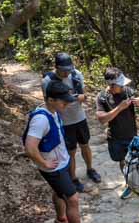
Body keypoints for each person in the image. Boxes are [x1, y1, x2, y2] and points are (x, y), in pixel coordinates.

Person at [23, 79, 96, 223]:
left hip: (60, 163)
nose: (66, 103)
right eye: (63, 101)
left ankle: (61, 219)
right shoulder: (41, 119)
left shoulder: (53, 111)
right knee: (73, 199)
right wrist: (44, 163)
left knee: (59, 192)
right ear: (50, 99)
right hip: (53, 168)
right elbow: (29, 147)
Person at [42, 52, 100, 191]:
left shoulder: (76, 75)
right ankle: (73, 178)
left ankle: (90, 169)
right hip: (64, 121)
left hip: (79, 117)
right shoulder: (48, 81)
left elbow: (83, 95)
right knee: (71, 151)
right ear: (56, 67)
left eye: (69, 69)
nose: (67, 73)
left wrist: (81, 97)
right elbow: (48, 102)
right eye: (64, 70)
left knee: (85, 145)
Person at [96, 67, 139, 196]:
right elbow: (102, 119)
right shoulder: (102, 97)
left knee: (136, 161)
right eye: (121, 84)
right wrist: (119, 108)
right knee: (122, 161)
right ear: (112, 86)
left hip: (131, 135)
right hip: (115, 137)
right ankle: (129, 183)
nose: (124, 86)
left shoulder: (128, 92)